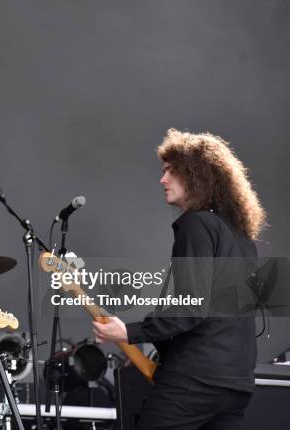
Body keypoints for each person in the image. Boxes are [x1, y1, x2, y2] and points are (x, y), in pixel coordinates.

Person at [93, 128, 266, 430]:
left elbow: (191, 306)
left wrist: (129, 332)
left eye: (171, 172)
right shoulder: (240, 236)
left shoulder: (196, 224)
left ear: (196, 175)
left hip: (195, 380)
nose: (162, 180)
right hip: (237, 383)